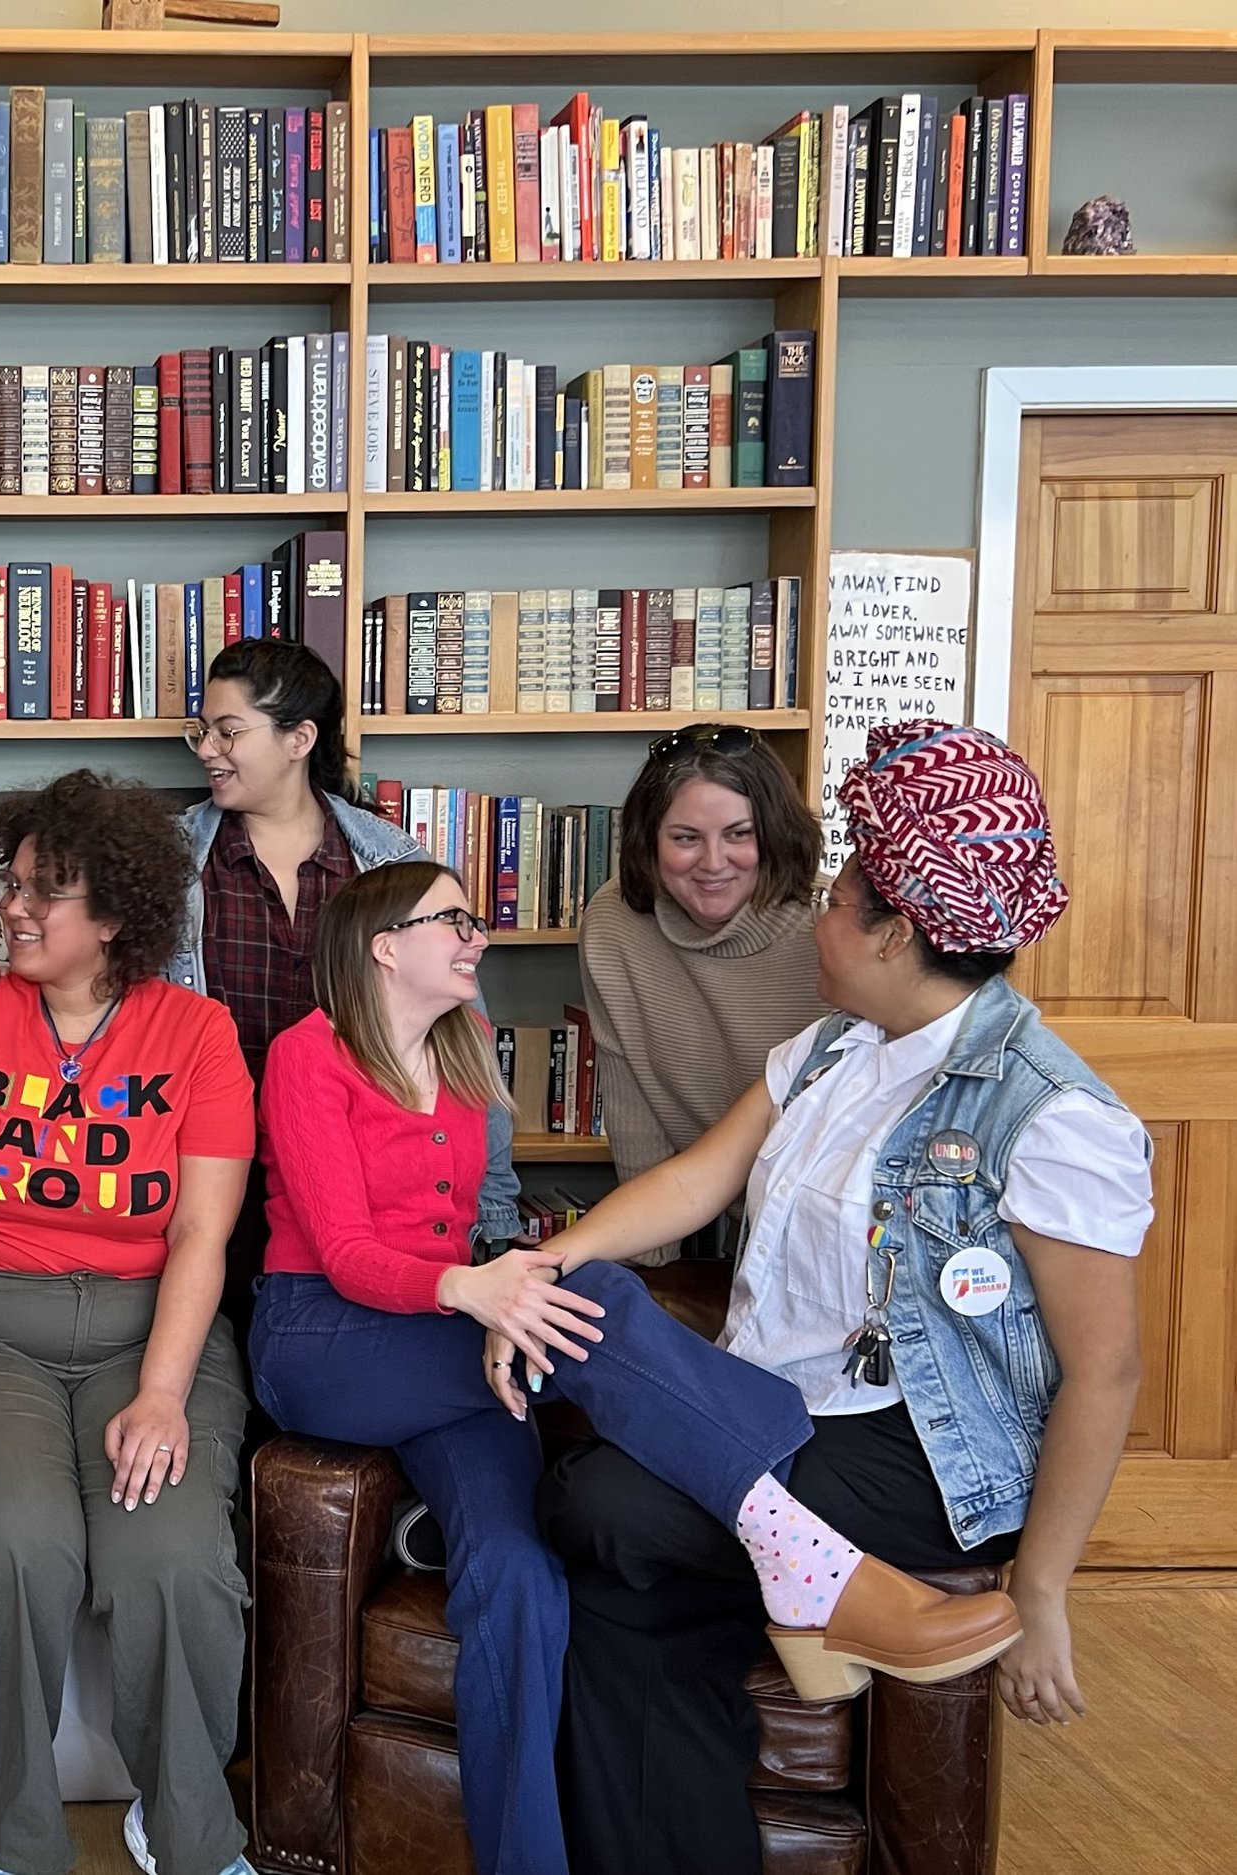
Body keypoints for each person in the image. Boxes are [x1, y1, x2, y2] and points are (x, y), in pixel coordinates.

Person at [247, 857, 1028, 1875]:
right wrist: (483, 1291)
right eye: (452, 919)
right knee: (600, 1295)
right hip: (327, 1340)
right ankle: (797, 1547)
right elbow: (346, 1252)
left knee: (520, 1579)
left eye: (475, 917)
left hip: (465, 1348)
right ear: (382, 945)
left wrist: (504, 1288)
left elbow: (484, 1217)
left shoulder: (470, 1048)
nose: (476, 933)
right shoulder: (312, 1056)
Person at [539, 719, 1151, 1875]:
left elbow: (1105, 1370)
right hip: (771, 1409)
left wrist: (1043, 1588)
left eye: (832, 898)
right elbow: (691, 1181)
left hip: (915, 1450)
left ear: (898, 930)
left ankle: (827, 1574)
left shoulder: (1052, 1115)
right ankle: (810, 1582)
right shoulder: (828, 1049)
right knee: (621, 1570)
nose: (809, 917)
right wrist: (542, 1267)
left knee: (602, 1510)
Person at [0, 771, 259, 1875]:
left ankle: (189, 1837)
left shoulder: (198, 1034)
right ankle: (14, 1844)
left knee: (170, 1561)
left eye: (48, 892)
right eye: (12, 884)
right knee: (15, 1550)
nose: (14, 910)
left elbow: (199, 1241)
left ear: (119, 915)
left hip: (150, 1334)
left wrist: (165, 1392)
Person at [168, 639, 521, 1326]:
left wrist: (494, 1212)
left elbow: (465, 1053)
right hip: (210, 1171)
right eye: (201, 730)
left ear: (299, 738)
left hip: (363, 1179)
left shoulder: (395, 865)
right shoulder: (173, 861)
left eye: (228, 730)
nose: (207, 748)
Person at [578, 723, 829, 1260]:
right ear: (649, 840)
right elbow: (632, 1105)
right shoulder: (613, 922)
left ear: (776, 832)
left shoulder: (835, 927)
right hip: (701, 1207)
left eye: (739, 834)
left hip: (835, 1225)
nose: (714, 863)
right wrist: (651, 1277)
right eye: (686, 838)